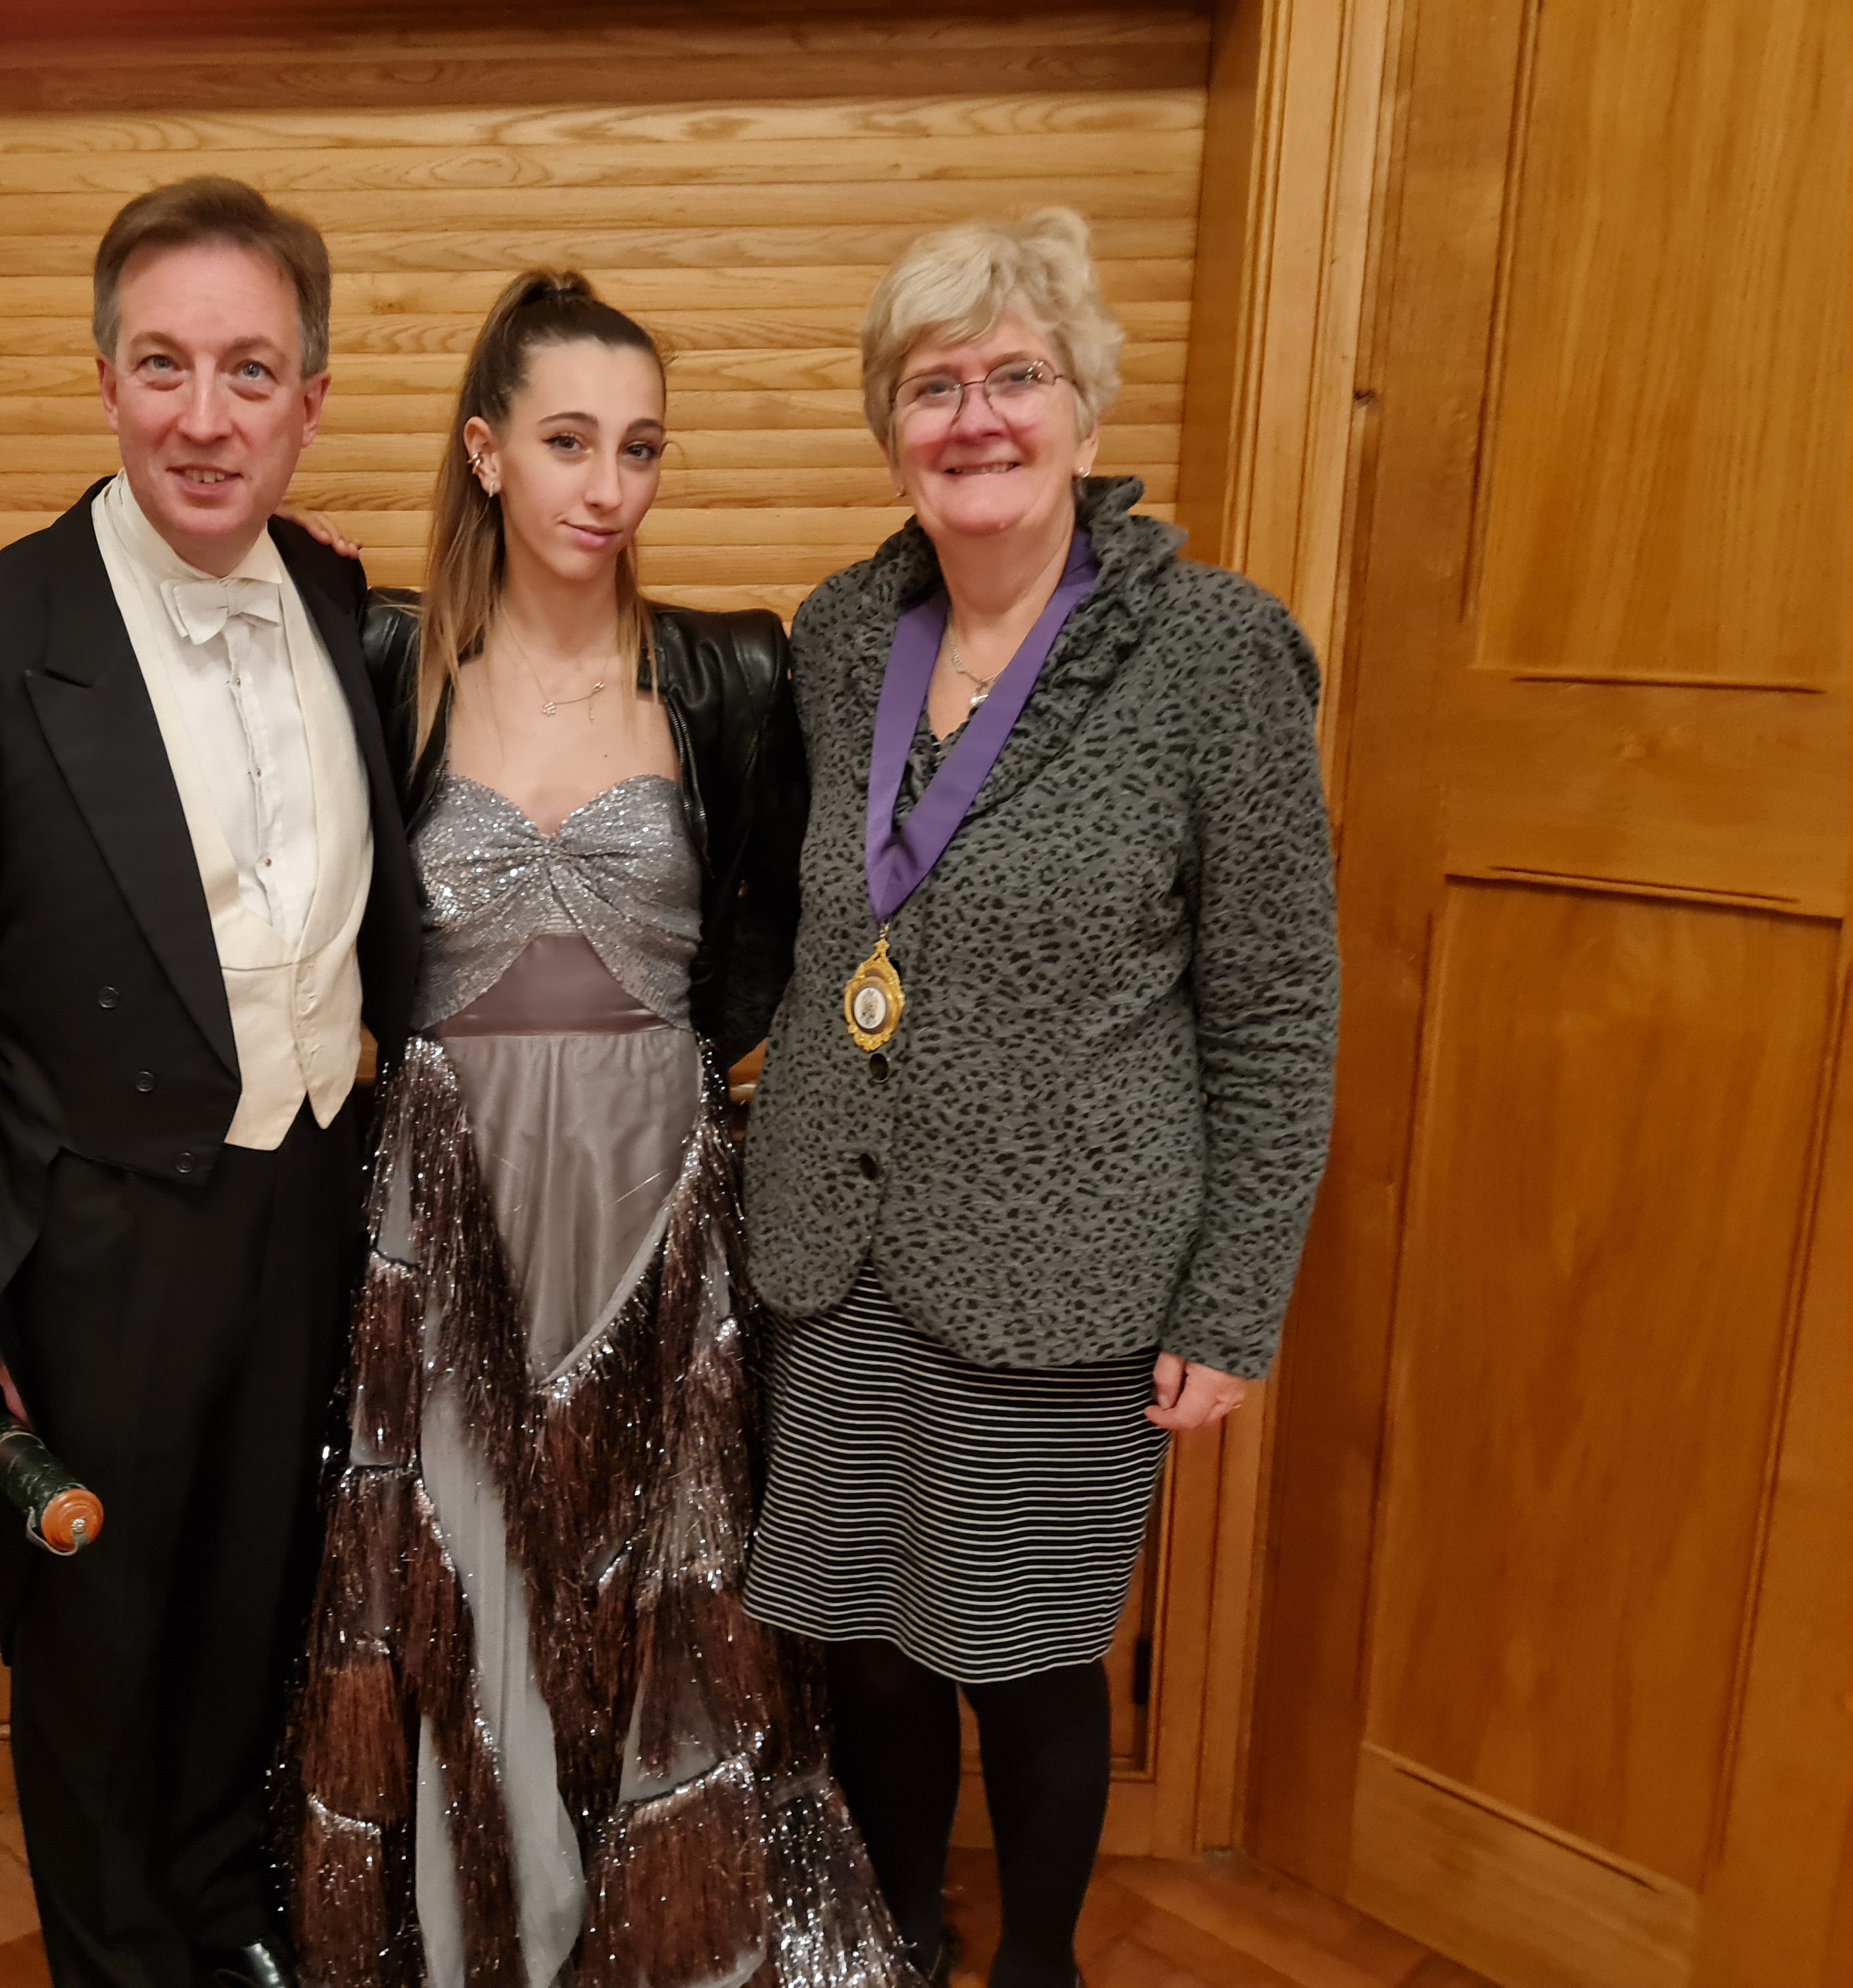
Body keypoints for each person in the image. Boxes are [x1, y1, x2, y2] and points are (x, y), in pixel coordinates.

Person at [737, 210, 1340, 1988]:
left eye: (1018, 377)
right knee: (863, 1640)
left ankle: (1042, 1964)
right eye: (937, 386)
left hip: (1069, 1264)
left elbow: (1281, 1008)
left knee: (1018, 1646)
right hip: (837, 1238)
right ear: (891, 426)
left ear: (1085, 406)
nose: (978, 418)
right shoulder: (849, 631)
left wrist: (1235, 1304)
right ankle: (905, 1931)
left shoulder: (1215, 657)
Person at [288, 271, 911, 1988]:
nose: (609, 486)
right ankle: (486, 1928)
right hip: (451, 1184)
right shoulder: (385, 653)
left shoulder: (726, 668)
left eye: (639, 448)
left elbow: (776, 923)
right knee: (470, 1565)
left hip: (649, 1181)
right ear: (486, 451)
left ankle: (663, 1934)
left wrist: (691, 1086)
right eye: (569, 442)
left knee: (649, 1581)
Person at [0, 177, 420, 1988]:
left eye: (249, 370)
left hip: (306, 1192)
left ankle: (216, 1898)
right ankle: (112, 1953)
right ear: (103, 376)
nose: (205, 414)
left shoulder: (338, 602)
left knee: (254, 1590)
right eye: (165, 364)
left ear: (308, 401)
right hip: (98, 1233)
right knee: (99, 1631)